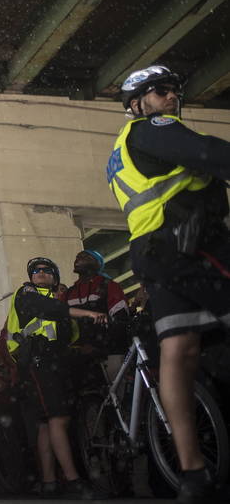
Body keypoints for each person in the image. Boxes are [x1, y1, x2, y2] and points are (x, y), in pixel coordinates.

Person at [108, 64, 230, 503]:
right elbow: (207, 154)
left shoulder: (120, 150)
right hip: (191, 244)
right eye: (158, 92)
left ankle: (192, 471)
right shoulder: (151, 129)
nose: (170, 97)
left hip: (154, 256)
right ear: (137, 105)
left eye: (174, 91)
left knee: (178, 353)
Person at [6, 257, 106, 499]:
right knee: (58, 420)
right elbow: (42, 309)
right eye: (36, 271)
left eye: (46, 270)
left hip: (47, 365)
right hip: (39, 363)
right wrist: (84, 313)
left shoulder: (55, 299)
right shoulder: (27, 291)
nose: (40, 273)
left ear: (55, 277)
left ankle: (50, 482)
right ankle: (73, 480)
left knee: (45, 425)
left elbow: (68, 337)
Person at [63, 249, 130, 382]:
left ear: (98, 263)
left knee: (115, 395)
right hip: (78, 355)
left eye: (85, 256)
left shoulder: (110, 286)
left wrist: (99, 347)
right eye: (77, 256)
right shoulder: (69, 293)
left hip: (109, 353)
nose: (78, 258)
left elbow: (121, 321)